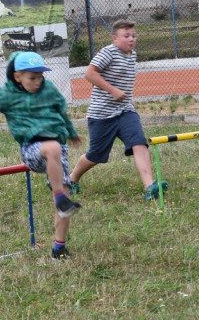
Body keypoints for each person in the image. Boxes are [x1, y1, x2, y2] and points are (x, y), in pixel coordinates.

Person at [0, 51, 82, 260]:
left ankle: (59, 248)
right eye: (32, 78)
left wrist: (72, 133)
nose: (37, 82)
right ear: (17, 76)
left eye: (40, 77)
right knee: (53, 149)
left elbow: (61, 112)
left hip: (57, 151)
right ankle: (60, 197)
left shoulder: (48, 89)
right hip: (32, 149)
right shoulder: (6, 94)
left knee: (65, 199)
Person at [69, 19, 168, 201]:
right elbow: (89, 73)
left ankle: (149, 187)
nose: (131, 39)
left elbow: (124, 80)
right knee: (96, 155)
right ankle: (72, 179)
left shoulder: (132, 55)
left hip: (124, 111)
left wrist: (128, 99)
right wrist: (112, 90)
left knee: (139, 141)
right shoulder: (109, 53)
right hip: (102, 115)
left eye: (134, 35)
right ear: (115, 39)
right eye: (126, 36)